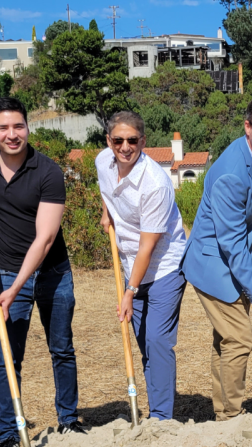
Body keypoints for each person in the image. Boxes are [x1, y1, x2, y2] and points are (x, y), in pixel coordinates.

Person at [0, 97, 85, 447]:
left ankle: (69, 421)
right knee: (8, 356)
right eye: (4, 128)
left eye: (19, 126)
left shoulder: (48, 172)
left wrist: (15, 288)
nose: (12, 135)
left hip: (52, 273)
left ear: (28, 127)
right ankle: (9, 433)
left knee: (61, 348)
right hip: (7, 273)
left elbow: (45, 239)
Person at [182, 96, 252, 421]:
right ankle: (231, 417)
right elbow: (232, 245)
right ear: (248, 127)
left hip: (232, 264)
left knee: (226, 341)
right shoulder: (231, 174)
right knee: (239, 340)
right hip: (215, 266)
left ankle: (223, 413)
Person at [96, 111, 187, 421]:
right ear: (108, 141)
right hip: (129, 262)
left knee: (157, 341)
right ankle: (153, 409)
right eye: (118, 140)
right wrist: (106, 210)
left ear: (143, 142)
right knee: (143, 343)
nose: (125, 147)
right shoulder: (101, 162)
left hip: (164, 266)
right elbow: (106, 188)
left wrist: (129, 292)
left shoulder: (156, 184)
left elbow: (149, 246)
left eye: (132, 140)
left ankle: (161, 418)